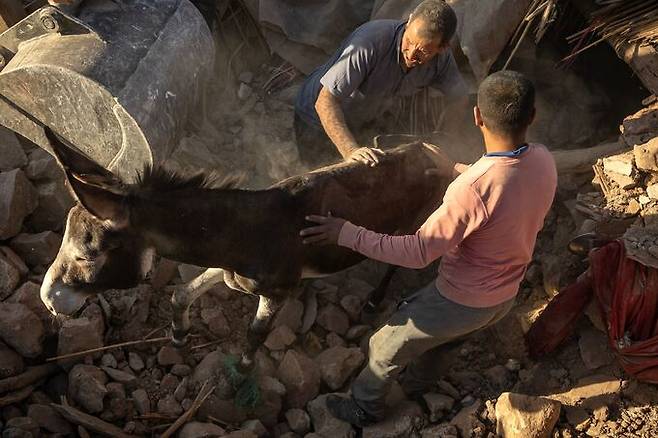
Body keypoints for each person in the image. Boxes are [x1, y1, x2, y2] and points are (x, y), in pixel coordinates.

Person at [299, 70, 558, 427]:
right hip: (505, 295)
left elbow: (417, 253)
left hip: (462, 299)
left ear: (477, 117)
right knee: (447, 342)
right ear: (532, 116)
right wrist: (454, 168)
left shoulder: (471, 189)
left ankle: (365, 408)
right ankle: (419, 385)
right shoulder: (544, 160)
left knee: (384, 346)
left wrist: (345, 232)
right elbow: (504, 185)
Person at [294, 0, 468, 169]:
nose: (411, 54)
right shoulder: (370, 42)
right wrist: (351, 151)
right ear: (408, 22)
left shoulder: (442, 60)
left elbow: (460, 97)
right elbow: (325, 101)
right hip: (315, 118)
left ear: (442, 48)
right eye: (409, 41)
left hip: (362, 119)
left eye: (423, 51)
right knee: (323, 183)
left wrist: (445, 140)